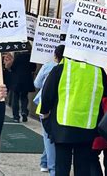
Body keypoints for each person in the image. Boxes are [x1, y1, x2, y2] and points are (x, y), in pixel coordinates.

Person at [40, 57, 107, 176]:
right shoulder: (98, 71)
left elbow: (47, 94)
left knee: (62, 167)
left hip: (62, 126)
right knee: (83, 168)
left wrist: (45, 114)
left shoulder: (61, 68)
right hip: (87, 126)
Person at [34, 45, 65, 175]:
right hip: (61, 107)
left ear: (55, 55)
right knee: (51, 138)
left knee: (48, 137)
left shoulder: (48, 66)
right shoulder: (68, 70)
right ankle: (47, 164)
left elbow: (37, 83)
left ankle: (47, 164)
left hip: (45, 107)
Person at [4, 52, 37, 123]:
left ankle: (16, 117)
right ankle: (24, 111)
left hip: (16, 79)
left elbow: (12, 67)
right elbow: (33, 68)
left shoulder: (16, 56)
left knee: (15, 98)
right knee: (24, 96)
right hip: (27, 79)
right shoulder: (30, 56)